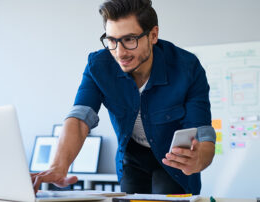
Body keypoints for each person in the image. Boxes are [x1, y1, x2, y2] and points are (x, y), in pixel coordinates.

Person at [31, 0, 216, 195]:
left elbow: (203, 132)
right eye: (112, 40)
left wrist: (199, 160)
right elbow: (80, 118)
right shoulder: (98, 66)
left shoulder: (187, 67)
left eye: (129, 40)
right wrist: (58, 166)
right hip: (133, 157)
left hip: (173, 160)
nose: (120, 53)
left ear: (153, 35)